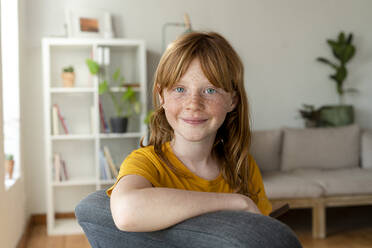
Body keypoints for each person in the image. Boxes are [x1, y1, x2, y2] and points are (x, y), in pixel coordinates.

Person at [107, 31, 274, 233]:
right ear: (162, 96)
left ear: (233, 100)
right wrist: (236, 202)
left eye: (210, 90)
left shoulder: (243, 167)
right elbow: (126, 211)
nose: (193, 104)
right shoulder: (146, 163)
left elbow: (263, 236)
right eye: (179, 89)